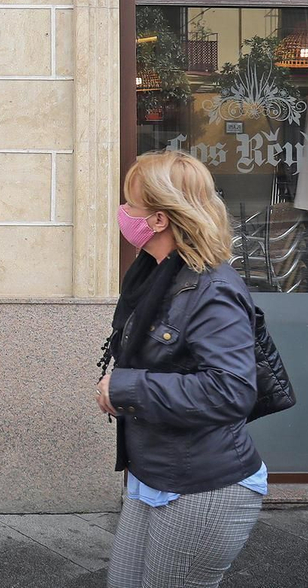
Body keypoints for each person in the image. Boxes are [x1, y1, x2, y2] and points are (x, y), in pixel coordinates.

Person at [97, 150, 266, 588]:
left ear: (157, 220)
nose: (123, 214)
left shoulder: (213, 288)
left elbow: (231, 391)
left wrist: (126, 387)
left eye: (131, 205)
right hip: (155, 471)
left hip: (201, 484)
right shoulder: (155, 276)